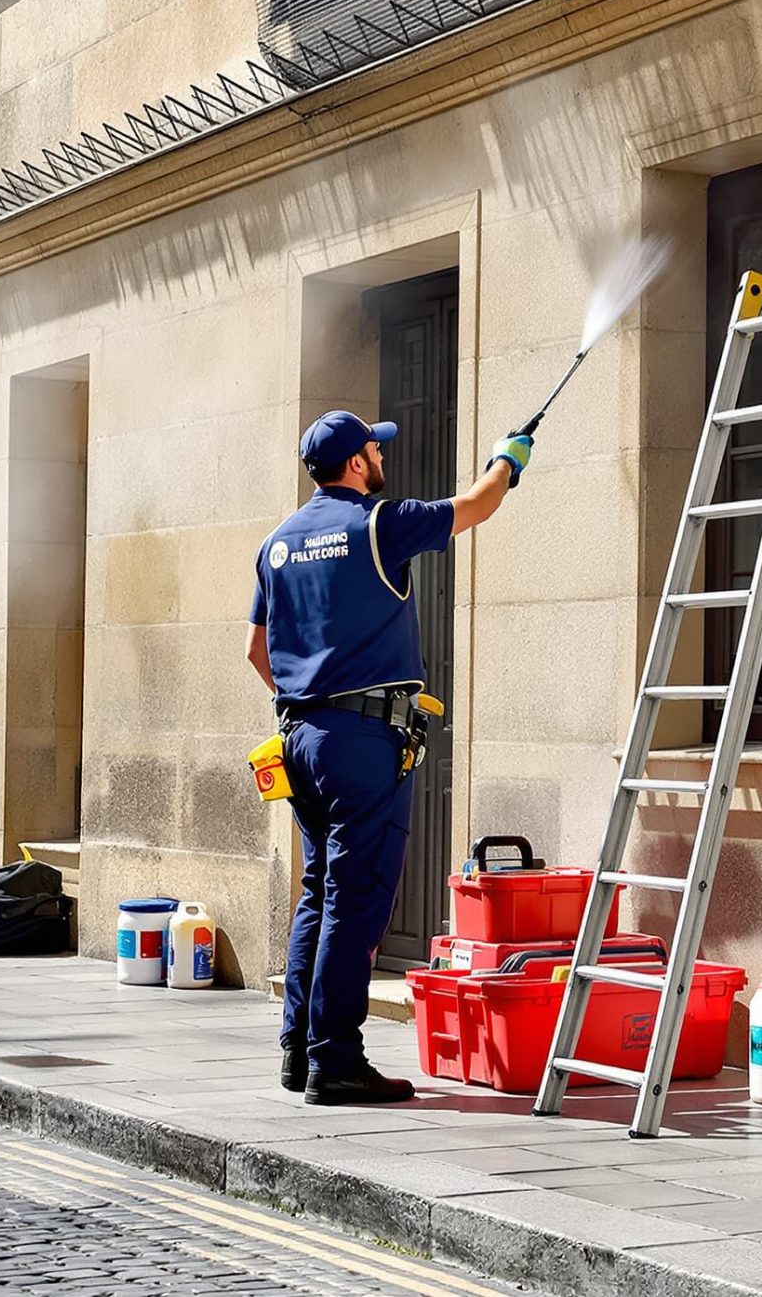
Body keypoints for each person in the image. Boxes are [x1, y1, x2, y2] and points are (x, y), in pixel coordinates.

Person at [246, 409, 530, 1104]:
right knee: (356, 899)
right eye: (374, 449)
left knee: (319, 889)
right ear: (355, 464)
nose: (381, 456)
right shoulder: (378, 523)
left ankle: (298, 1053)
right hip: (362, 743)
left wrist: (311, 699)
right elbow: (477, 505)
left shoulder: (277, 543)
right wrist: (508, 460)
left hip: (299, 738)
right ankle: (336, 1061)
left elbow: (256, 651)